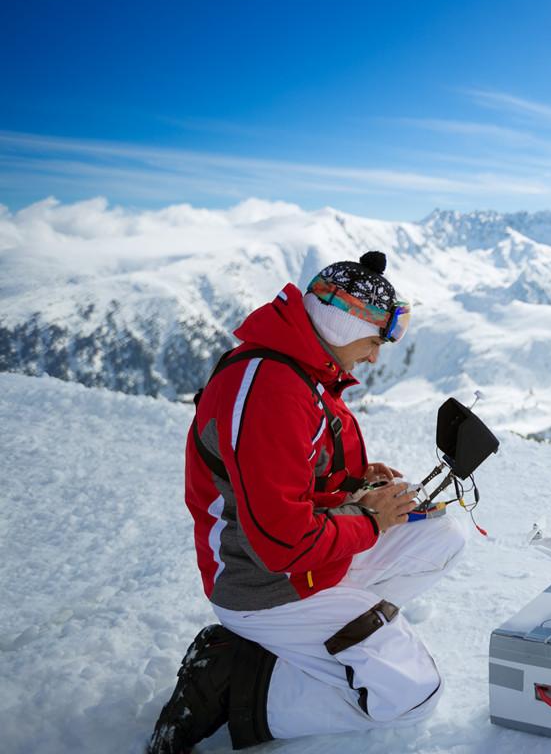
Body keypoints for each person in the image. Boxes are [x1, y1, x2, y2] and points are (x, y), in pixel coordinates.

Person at [148, 251, 467, 753]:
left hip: (297, 565)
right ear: (342, 325)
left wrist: (354, 483)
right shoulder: (271, 391)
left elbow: (295, 473)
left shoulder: (300, 371)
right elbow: (283, 542)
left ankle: (337, 637)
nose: (374, 356)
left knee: (439, 536)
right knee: (413, 696)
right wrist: (368, 516)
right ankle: (235, 679)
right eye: (373, 340)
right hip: (264, 585)